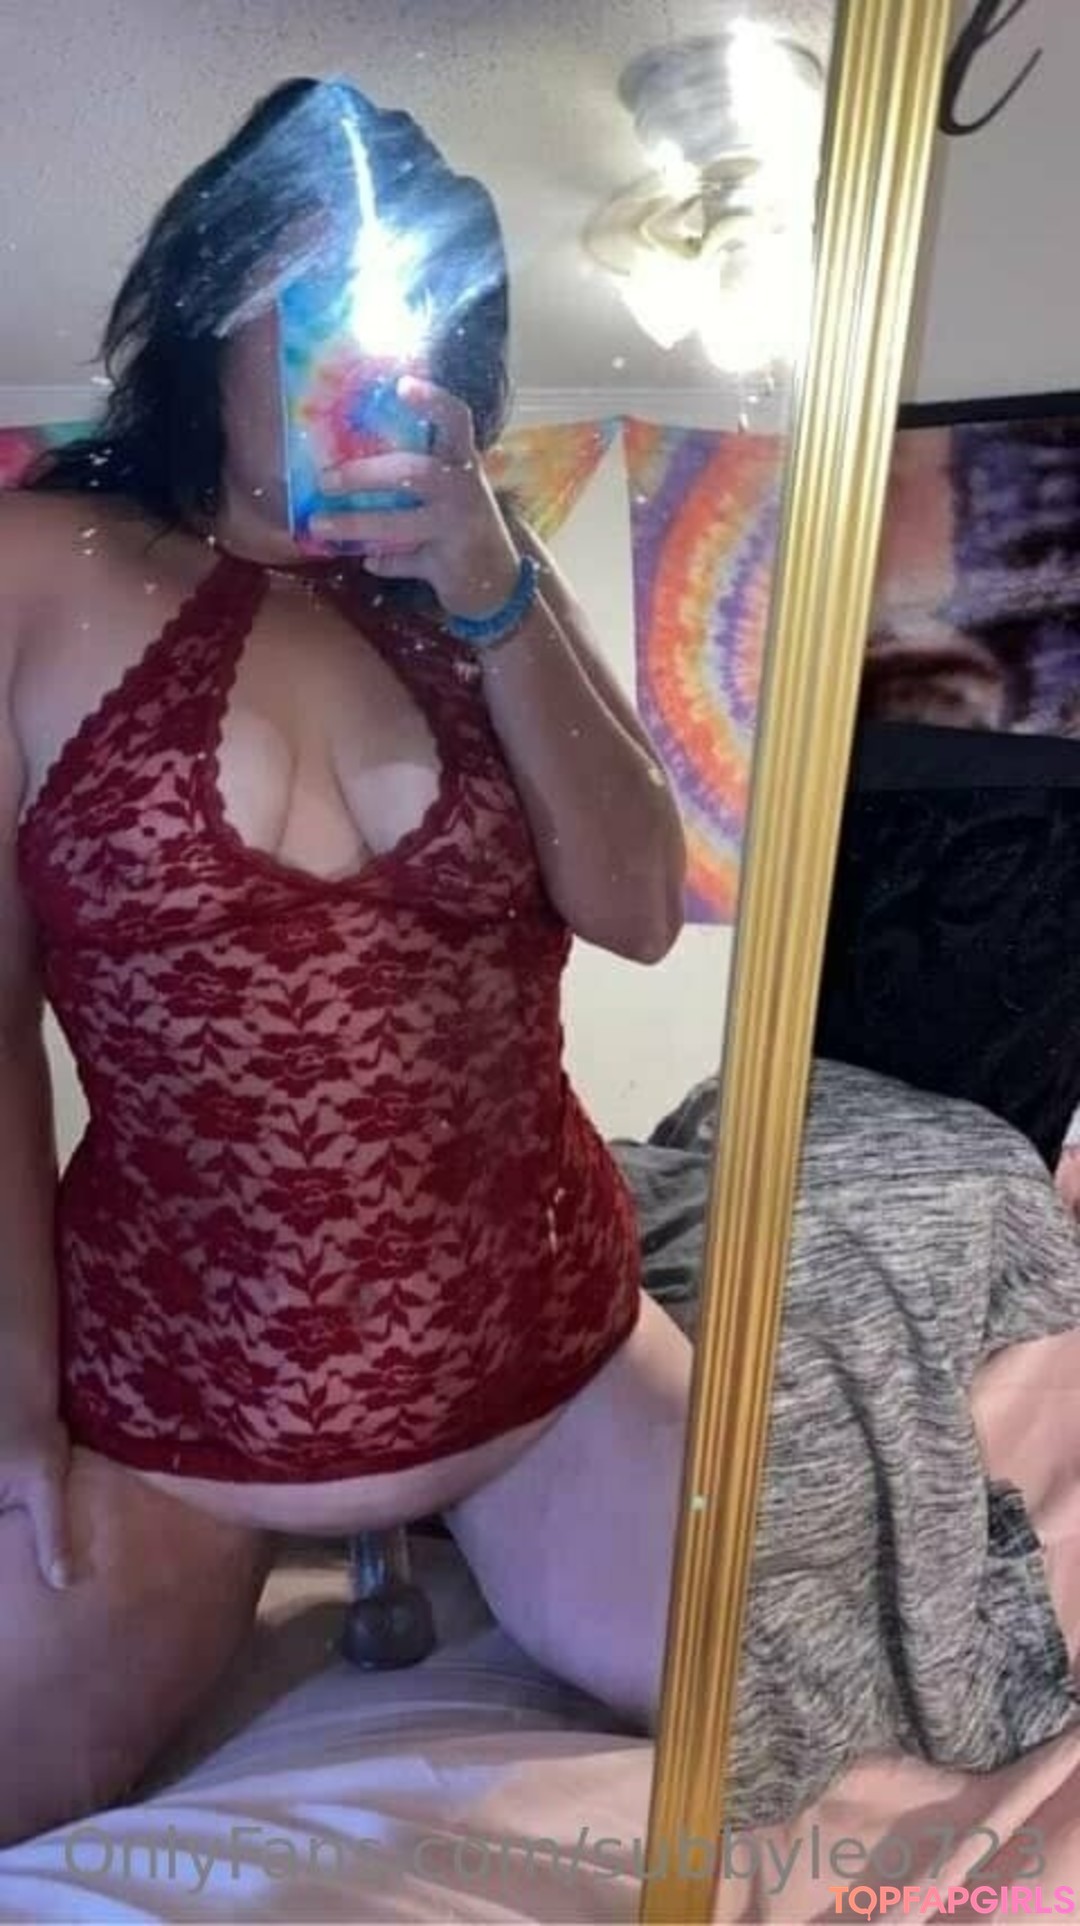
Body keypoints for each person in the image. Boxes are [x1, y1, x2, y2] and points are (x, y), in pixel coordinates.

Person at [0, 78, 691, 1843]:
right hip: (167, 1408)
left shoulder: (494, 583)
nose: (373, 354)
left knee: (776, 1692)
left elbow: (637, 906)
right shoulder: (31, 570)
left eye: (419, 311)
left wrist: (494, 585)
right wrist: (13, 1404)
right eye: (312, 296)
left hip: (545, 1361)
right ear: (208, 307)